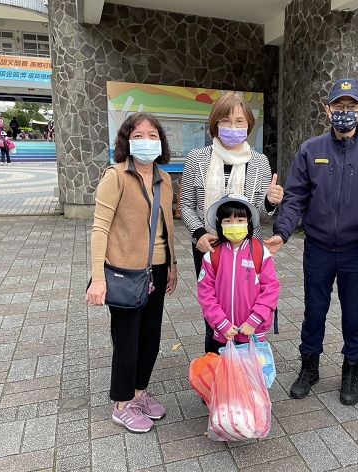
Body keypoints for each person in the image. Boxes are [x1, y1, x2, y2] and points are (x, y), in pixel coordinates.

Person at [265, 78, 358, 406]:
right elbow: (295, 196)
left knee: (353, 314)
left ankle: (351, 371)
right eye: (338, 106)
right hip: (318, 249)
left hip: (356, 250)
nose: (344, 113)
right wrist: (282, 231)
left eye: (351, 107)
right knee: (314, 311)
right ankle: (309, 368)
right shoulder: (310, 150)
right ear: (327, 110)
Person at [86, 112, 178, 434]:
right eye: (138, 135)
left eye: (153, 135)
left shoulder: (165, 180)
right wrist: (99, 277)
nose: (146, 141)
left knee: (151, 339)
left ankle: (140, 394)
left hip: (158, 268)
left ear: (161, 142)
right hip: (125, 272)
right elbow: (100, 228)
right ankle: (122, 404)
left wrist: (173, 265)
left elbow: (166, 226)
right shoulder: (116, 176)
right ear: (126, 140)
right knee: (127, 341)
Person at [179, 92, 284, 354]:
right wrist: (200, 233)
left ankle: (246, 375)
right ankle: (215, 377)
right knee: (214, 312)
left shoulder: (258, 162)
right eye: (226, 121)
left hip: (248, 250)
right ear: (215, 124)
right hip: (209, 248)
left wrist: (270, 202)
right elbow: (186, 205)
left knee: (247, 311)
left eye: (239, 121)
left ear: (248, 124)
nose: (233, 127)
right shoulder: (197, 158)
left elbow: (259, 214)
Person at [197, 193, 280, 354]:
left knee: (251, 377)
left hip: (252, 332)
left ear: (248, 221)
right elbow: (206, 295)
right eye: (227, 221)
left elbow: (271, 289)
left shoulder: (260, 252)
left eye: (240, 220)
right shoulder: (212, 256)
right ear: (219, 224)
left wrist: (254, 320)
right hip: (224, 334)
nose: (234, 224)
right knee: (225, 376)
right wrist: (222, 324)